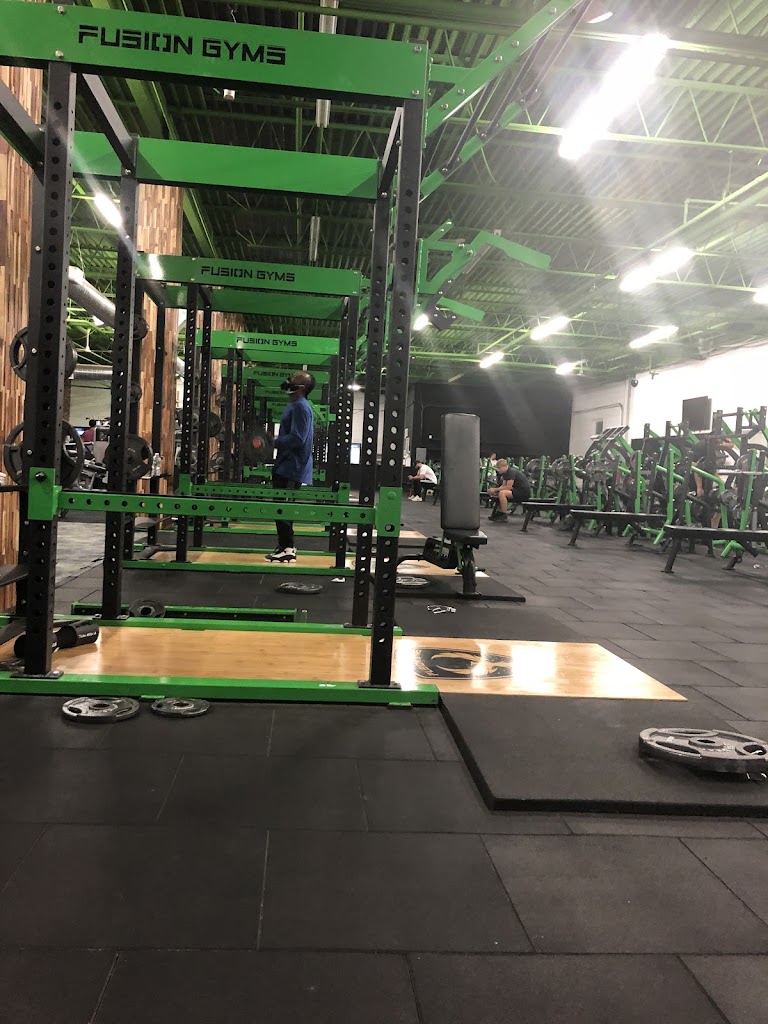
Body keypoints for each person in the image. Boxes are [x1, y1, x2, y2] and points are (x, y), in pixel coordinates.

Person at [265, 370, 315, 563]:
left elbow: (297, 438)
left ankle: (288, 549)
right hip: (285, 465)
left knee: (283, 508)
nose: (288, 380)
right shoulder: (294, 405)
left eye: (293, 379)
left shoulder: (301, 407)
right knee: (280, 507)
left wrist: (272, 442)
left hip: (292, 467)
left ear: (301, 388)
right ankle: (284, 546)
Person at [689, 435, 736, 527]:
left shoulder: (734, 453)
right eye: (724, 441)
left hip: (730, 483)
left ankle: (717, 530)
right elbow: (699, 469)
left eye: (729, 442)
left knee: (723, 511)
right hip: (718, 484)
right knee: (716, 510)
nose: (724, 444)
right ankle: (711, 530)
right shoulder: (714, 453)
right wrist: (699, 487)